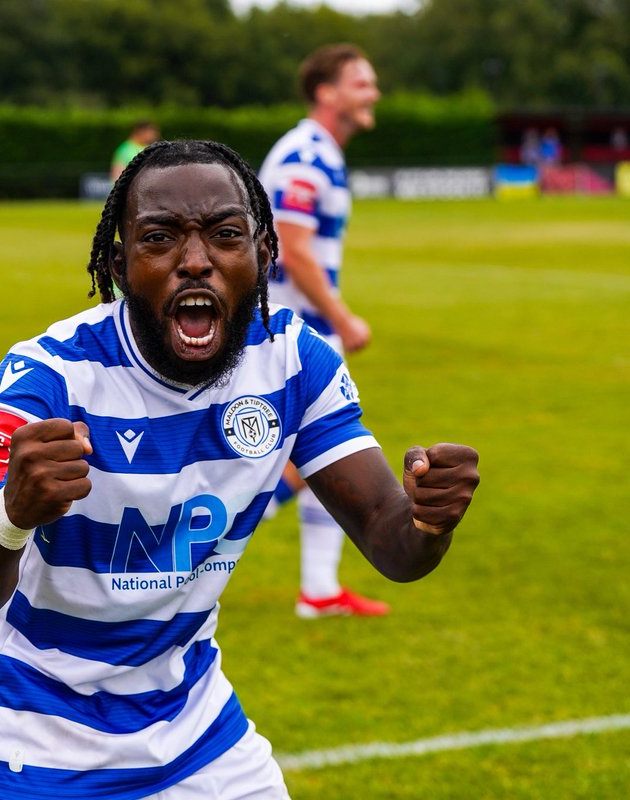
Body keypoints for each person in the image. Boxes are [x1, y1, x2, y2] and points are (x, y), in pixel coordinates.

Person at [0, 139, 480, 799]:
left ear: (263, 254)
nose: (197, 261)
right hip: (40, 736)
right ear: (120, 264)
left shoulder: (294, 363)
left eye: (225, 235)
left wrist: (429, 517)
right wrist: (12, 514)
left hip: (196, 726)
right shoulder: (45, 378)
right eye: (159, 238)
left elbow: (393, 545)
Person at [257, 43, 389, 618]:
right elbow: (292, 247)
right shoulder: (306, 155)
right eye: (362, 82)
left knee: (321, 456)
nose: (373, 92)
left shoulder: (321, 153)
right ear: (326, 92)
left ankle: (320, 590)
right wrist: (341, 316)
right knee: (296, 460)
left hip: (302, 334)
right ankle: (176, 549)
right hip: (292, 335)